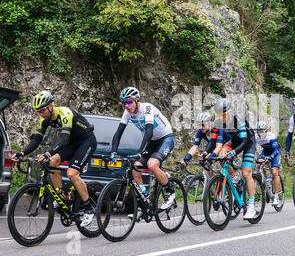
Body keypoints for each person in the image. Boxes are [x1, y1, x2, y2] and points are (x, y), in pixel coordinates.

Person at [11, 91, 97, 227]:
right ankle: (60, 195)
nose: (41, 113)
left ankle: (88, 208)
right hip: (72, 144)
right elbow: (36, 140)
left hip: (86, 141)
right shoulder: (44, 120)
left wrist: (48, 153)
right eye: (38, 111)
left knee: (71, 173)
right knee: (52, 161)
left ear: (51, 106)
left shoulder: (65, 114)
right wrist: (22, 153)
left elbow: (63, 139)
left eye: (43, 110)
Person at [110, 87, 175, 222]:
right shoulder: (127, 113)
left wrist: (140, 151)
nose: (126, 106)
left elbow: (149, 131)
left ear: (136, 100)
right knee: (135, 170)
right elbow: (118, 133)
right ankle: (143, 203)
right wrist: (113, 151)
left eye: (128, 102)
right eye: (123, 103)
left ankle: (170, 192)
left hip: (165, 138)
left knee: (152, 165)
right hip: (151, 142)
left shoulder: (147, 108)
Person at [213, 98, 258, 220]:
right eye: (218, 115)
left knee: (246, 173)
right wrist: (210, 155)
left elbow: (243, 142)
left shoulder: (239, 120)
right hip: (234, 141)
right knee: (221, 155)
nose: (221, 117)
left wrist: (233, 152)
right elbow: (214, 141)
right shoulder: (218, 122)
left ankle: (251, 206)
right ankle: (234, 179)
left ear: (230, 111)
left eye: (223, 114)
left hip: (248, 142)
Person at [254, 121, 282, 207]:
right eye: (258, 131)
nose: (260, 133)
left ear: (266, 131)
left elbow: (276, 150)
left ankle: (276, 196)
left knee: (274, 172)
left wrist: (270, 158)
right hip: (265, 152)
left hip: (275, 152)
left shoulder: (271, 136)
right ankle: (264, 179)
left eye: (261, 131)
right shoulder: (256, 137)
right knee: (259, 164)